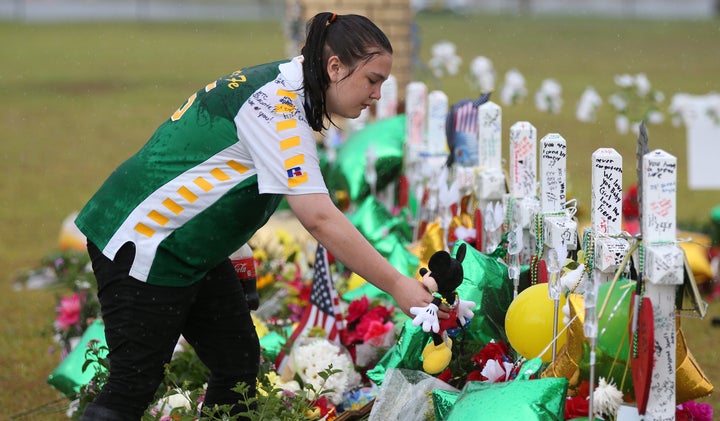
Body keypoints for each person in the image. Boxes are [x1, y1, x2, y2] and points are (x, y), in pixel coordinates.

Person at [75, 12, 440, 420]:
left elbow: (216, 169)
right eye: (372, 80)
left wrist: (237, 250)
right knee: (132, 385)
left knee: (236, 362)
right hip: (145, 240)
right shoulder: (280, 108)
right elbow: (318, 217)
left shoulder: (284, 88)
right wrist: (396, 285)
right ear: (335, 66)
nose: (376, 94)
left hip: (183, 245)